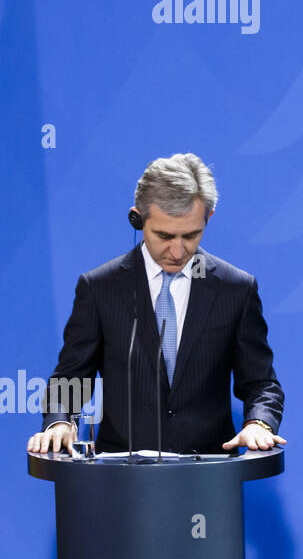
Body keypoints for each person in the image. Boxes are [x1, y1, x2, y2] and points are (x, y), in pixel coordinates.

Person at [26, 154, 285, 455]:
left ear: (209, 217)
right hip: (120, 480)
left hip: (210, 480)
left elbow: (261, 384)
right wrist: (60, 422)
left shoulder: (236, 289)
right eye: (163, 235)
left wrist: (258, 423)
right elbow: (71, 378)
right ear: (137, 218)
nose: (177, 251)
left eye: (191, 235)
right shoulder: (99, 288)